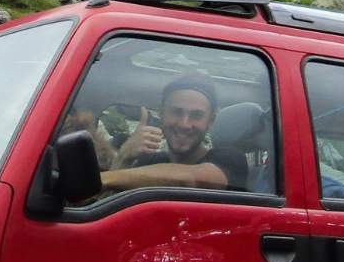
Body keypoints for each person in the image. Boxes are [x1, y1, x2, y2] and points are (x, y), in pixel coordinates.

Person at [100, 77, 248, 191]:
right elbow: (113, 201)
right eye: (176, 112)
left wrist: (102, 178)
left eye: (196, 115)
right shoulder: (150, 162)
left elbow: (192, 179)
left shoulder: (230, 159)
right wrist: (124, 156)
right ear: (161, 113)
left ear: (210, 121)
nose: (184, 124)